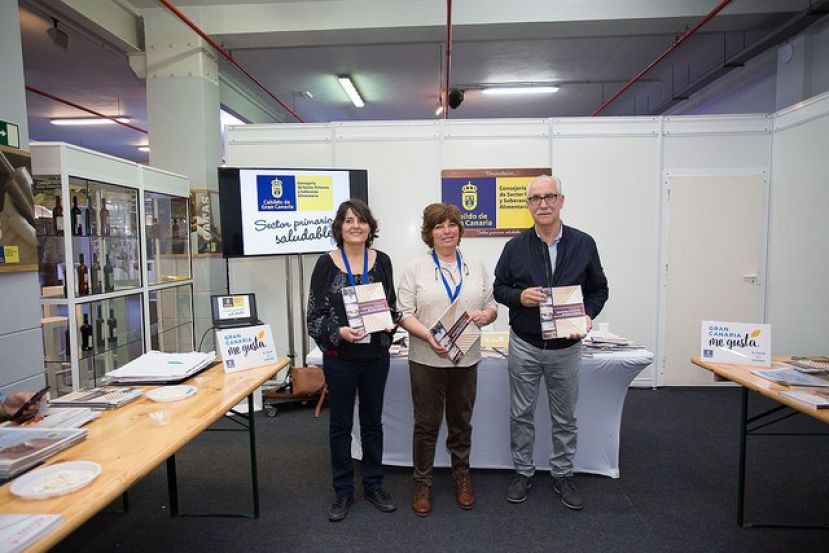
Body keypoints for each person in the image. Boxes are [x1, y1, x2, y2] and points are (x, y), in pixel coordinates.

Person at [494, 175, 608, 511]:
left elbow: (599, 289)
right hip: (525, 345)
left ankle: (562, 474)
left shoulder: (584, 243)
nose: (543, 204)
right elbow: (499, 290)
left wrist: (587, 315)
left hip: (566, 348)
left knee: (564, 417)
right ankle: (523, 471)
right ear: (528, 205)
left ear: (561, 200)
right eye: (536, 199)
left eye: (549, 197)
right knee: (521, 414)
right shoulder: (514, 247)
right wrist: (519, 297)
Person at [397, 203, 497, 517]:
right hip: (427, 359)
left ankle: (461, 477)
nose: (447, 231)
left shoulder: (476, 265)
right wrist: (428, 335)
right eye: (439, 226)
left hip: (466, 359)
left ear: (459, 230)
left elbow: (492, 304)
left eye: (452, 224)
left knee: (461, 423)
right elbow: (403, 313)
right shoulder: (416, 268)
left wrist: (486, 315)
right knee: (426, 425)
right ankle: (422, 482)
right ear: (430, 233)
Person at [307, 199, 399, 522]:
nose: (355, 225)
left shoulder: (382, 261)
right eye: (348, 220)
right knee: (340, 426)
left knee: (373, 424)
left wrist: (391, 321)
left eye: (361, 220)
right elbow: (313, 318)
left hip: (375, 357)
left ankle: (374, 485)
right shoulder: (326, 264)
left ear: (370, 226)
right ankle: (343, 491)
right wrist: (340, 332)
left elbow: (392, 305)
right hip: (340, 359)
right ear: (340, 227)